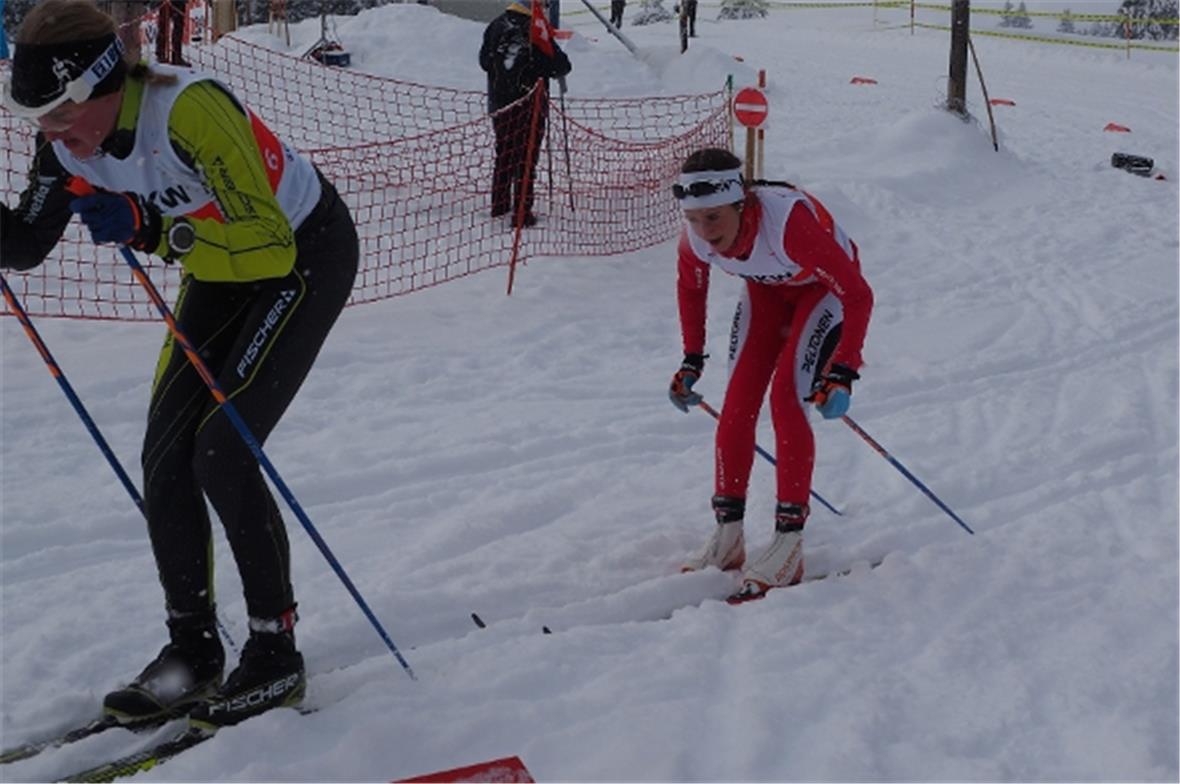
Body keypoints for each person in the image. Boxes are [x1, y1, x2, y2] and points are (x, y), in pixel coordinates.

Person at [1, 0, 358, 728]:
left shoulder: (187, 110)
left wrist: (151, 226)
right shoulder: (66, 141)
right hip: (219, 270)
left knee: (222, 452)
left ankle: (273, 651)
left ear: (104, 83)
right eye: (35, 115)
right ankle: (192, 649)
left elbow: (267, 245)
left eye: (61, 113)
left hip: (301, 257)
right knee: (164, 458)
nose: (51, 132)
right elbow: (26, 245)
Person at [668, 148, 874, 601]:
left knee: (785, 399)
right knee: (737, 403)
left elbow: (858, 295)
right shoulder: (697, 236)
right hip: (766, 295)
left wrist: (842, 371)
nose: (706, 232)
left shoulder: (789, 225)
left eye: (715, 218)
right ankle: (729, 534)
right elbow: (689, 289)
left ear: (741, 203)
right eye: (696, 220)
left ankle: (788, 543)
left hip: (820, 292)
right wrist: (691, 360)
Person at [478, 0, 571, 228]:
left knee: (504, 154)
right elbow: (560, 65)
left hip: (500, 105)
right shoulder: (535, 29)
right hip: (530, 106)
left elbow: (484, 61)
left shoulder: (495, 25)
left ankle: (499, 205)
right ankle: (522, 212)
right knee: (526, 159)